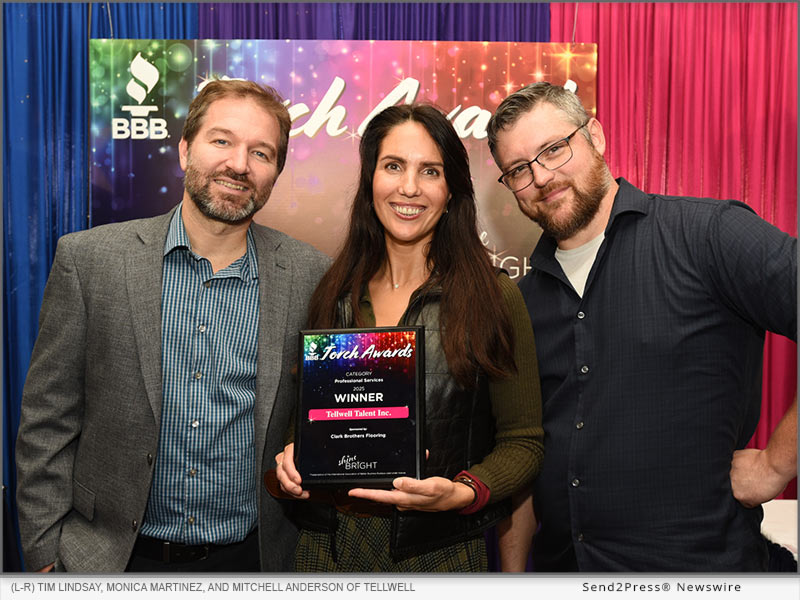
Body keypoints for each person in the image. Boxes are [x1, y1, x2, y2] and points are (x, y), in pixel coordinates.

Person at [15, 79, 329, 572]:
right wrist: (44, 555)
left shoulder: (312, 276)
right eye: (222, 140)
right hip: (109, 560)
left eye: (261, 153)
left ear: (276, 172)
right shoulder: (91, 260)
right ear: (185, 150)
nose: (239, 165)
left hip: (254, 561)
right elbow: (48, 417)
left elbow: (321, 415)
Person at [485, 81, 797, 571]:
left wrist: (776, 465)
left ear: (595, 135)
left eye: (554, 149)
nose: (541, 176)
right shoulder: (520, 303)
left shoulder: (708, 235)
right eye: (519, 169)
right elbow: (522, 453)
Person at [274, 104, 544, 572]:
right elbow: (310, 418)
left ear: (451, 189)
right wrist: (295, 455)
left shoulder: (493, 297)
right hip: (325, 551)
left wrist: (463, 491)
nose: (409, 187)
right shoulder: (334, 293)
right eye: (393, 166)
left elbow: (524, 442)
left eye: (430, 171)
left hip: (440, 555)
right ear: (370, 180)